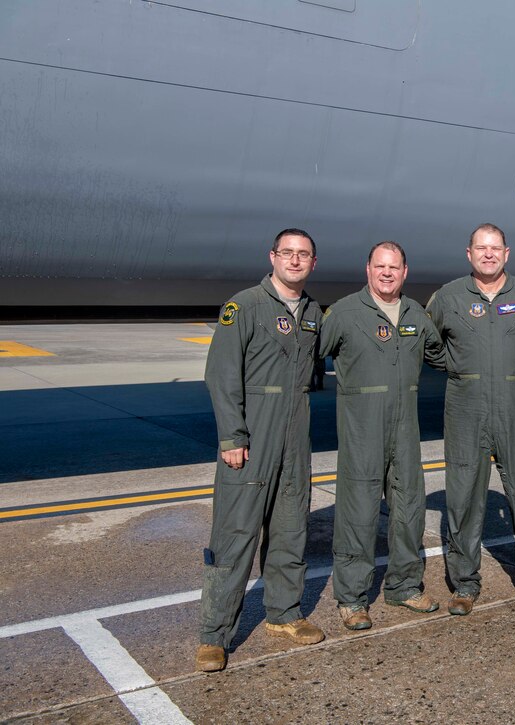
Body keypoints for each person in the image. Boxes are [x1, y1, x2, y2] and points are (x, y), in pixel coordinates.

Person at [197, 228, 325, 672]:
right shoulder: (245, 306)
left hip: (295, 435)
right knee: (234, 536)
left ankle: (284, 613)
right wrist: (232, 437)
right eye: (287, 253)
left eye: (303, 255)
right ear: (272, 256)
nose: (294, 261)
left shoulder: (311, 311)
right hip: (253, 435)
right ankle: (214, 635)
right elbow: (221, 376)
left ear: (313, 262)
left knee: (290, 530)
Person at [426, 223, 515, 617]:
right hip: (465, 411)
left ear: (506, 253)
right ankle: (465, 584)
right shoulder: (447, 297)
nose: (488, 254)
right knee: (463, 498)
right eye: (480, 248)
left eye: (494, 248)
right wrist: (457, 368)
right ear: (469, 254)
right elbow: (427, 343)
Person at [319, 242, 446, 629]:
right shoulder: (343, 313)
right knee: (358, 514)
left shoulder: (416, 315)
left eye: (394, 267)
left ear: (405, 272)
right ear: (368, 270)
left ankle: (404, 587)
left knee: (409, 510)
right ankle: (353, 598)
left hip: (405, 431)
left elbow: (442, 356)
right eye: (380, 266)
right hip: (361, 432)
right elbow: (306, 356)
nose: (387, 273)